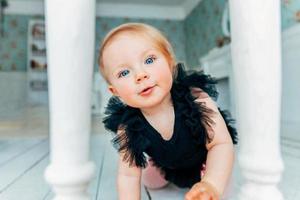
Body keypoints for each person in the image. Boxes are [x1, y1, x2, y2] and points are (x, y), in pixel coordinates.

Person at [98, 22, 238, 200]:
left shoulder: (195, 97)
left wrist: (211, 183)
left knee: (220, 190)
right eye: (124, 72)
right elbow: (128, 176)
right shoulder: (128, 127)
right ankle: (159, 168)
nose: (140, 75)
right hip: (169, 166)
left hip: (206, 161)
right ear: (115, 91)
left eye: (149, 60)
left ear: (170, 64)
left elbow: (220, 144)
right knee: (150, 182)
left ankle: (210, 182)